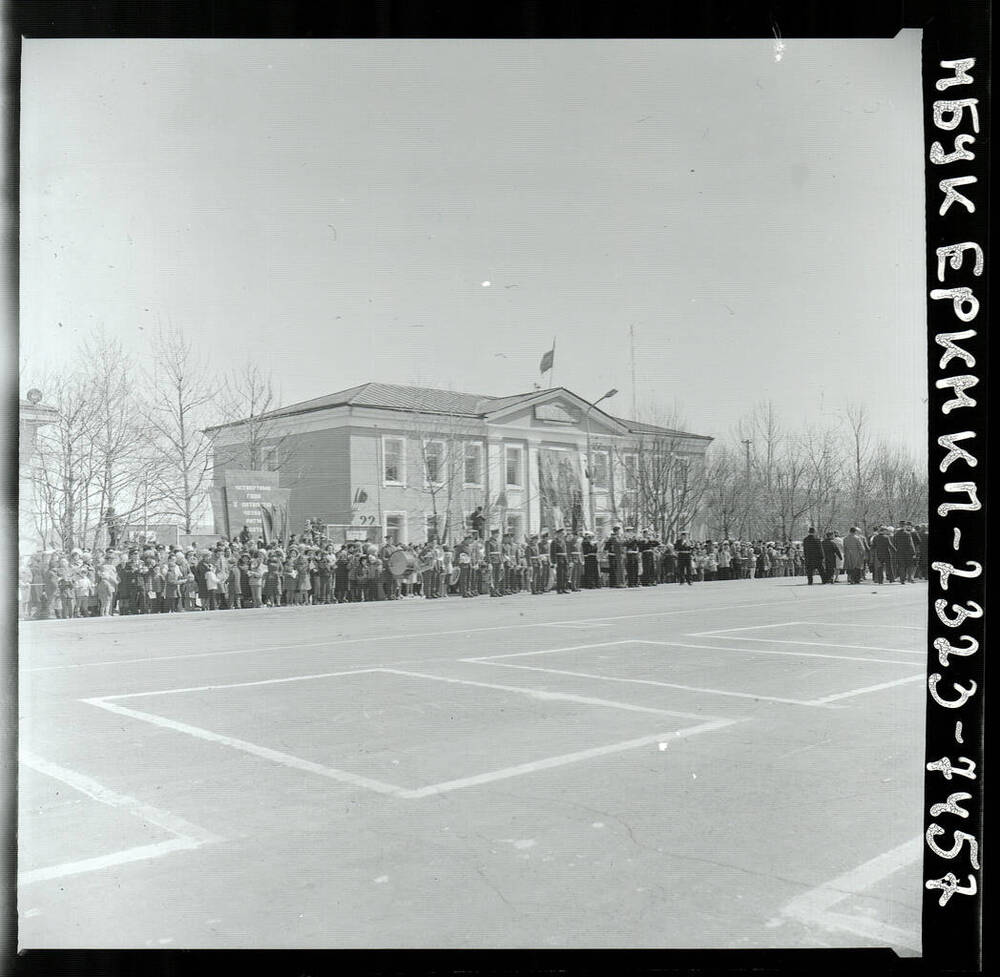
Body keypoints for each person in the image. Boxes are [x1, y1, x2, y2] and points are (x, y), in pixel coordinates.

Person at [550, 528, 569, 594]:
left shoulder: (563, 541)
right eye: (562, 533)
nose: (563, 535)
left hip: (564, 559)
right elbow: (552, 553)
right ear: (558, 534)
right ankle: (559, 589)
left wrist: (567, 560)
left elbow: (565, 551)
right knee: (560, 575)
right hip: (559, 559)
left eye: (563, 534)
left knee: (565, 574)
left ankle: (564, 588)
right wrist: (554, 562)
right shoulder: (554, 542)